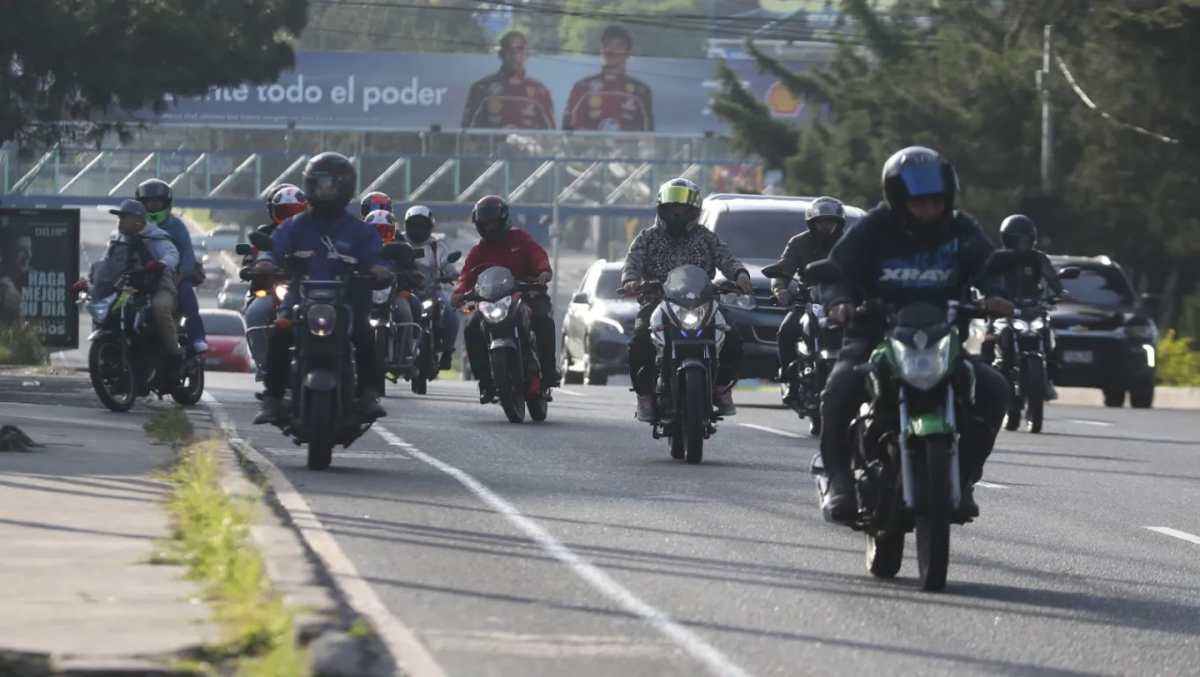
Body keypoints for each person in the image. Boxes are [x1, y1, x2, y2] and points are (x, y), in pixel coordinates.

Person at [816, 146, 1013, 523]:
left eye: (937, 201)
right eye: (920, 202)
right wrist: (839, 301)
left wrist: (997, 295)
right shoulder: (873, 228)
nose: (929, 210)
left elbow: (988, 267)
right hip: (874, 336)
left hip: (942, 341)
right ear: (898, 199)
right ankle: (838, 480)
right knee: (839, 389)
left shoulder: (962, 230)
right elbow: (839, 270)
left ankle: (965, 479)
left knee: (994, 389)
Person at [253, 152, 392, 425]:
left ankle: (368, 394)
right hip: (300, 297)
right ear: (309, 185)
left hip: (348, 300)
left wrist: (380, 269)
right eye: (321, 184)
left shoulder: (359, 231)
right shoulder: (294, 226)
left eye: (333, 184)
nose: (326, 190)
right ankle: (272, 398)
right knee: (280, 330)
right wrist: (266, 263)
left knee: (366, 334)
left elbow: (378, 257)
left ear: (346, 187)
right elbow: (274, 249)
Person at [620, 178, 753, 422]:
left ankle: (721, 388)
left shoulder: (707, 237)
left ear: (694, 212)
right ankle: (646, 395)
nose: (677, 215)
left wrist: (740, 275)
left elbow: (727, 258)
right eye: (673, 209)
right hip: (658, 302)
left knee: (732, 335)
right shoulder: (647, 238)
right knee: (639, 338)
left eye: (683, 210)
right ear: (663, 209)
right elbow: (633, 262)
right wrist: (631, 280)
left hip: (704, 302)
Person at [450, 195, 559, 403]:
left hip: (526, 294)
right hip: (490, 302)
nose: (489, 228)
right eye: (485, 224)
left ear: (502, 220)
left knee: (543, 318)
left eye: (493, 223)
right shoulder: (478, 251)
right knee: (471, 327)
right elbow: (466, 276)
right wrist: (459, 292)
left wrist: (543, 272)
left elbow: (539, 257)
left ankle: (549, 369)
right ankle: (485, 383)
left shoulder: (521, 239)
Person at [770, 196, 847, 414]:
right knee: (785, 331)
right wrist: (781, 290)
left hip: (841, 302)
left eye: (830, 222)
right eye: (820, 222)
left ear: (839, 224)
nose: (825, 227)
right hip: (807, 301)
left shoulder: (849, 242)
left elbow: (865, 269)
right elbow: (782, 271)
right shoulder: (798, 243)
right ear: (811, 223)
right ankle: (790, 380)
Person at [94, 199, 183, 381]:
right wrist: (92, 276)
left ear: (138, 220)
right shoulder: (117, 240)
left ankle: (176, 356)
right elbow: (106, 263)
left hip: (158, 287)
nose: (120, 222)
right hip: (130, 288)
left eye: (124, 218)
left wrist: (161, 263)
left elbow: (172, 254)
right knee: (107, 311)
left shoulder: (155, 236)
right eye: (119, 218)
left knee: (159, 308)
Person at [996, 213, 1067, 398]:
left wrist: (1059, 292)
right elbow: (987, 279)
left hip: (1032, 308)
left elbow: (1050, 276)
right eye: (1017, 240)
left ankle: (1050, 376)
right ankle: (997, 378)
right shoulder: (999, 259)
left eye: (1026, 240)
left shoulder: (1038, 258)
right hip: (1006, 309)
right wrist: (990, 296)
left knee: (1048, 333)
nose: (1022, 244)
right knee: (993, 337)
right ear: (1007, 239)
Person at [136, 178, 207, 354]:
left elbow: (187, 257)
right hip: (139, 279)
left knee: (186, 294)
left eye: (156, 202)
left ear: (166, 204)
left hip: (172, 278)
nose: (152, 206)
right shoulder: (133, 226)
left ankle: (197, 338)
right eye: (148, 203)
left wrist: (179, 276)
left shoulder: (177, 226)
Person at [244, 184, 308, 377]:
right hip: (276, 289)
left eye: (295, 212)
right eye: (284, 213)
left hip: (312, 290)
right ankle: (266, 367)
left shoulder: (316, 231)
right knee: (256, 312)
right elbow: (261, 254)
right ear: (273, 213)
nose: (289, 219)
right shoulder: (268, 234)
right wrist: (256, 266)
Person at [562, 25, 654, 132]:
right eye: (607, 45)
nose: (611, 50)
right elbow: (567, 132)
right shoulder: (582, 87)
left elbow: (648, 136)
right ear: (601, 50)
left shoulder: (641, 91)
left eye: (618, 46)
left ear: (628, 53)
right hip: (591, 148)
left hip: (627, 148)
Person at [403, 205, 461, 371]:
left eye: (422, 225)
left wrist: (453, 275)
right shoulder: (399, 242)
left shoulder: (437, 246)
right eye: (414, 225)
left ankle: (448, 352)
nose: (418, 229)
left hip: (432, 291)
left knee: (450, 312)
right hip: (406, 291)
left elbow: (448, 267)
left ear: (429, 227)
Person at [461, 30, 555, 130]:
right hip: (491, 145)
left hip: (528, 145)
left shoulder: (539, 91)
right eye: (509, 50)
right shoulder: (481, 88)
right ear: (501, 54)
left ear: (526, 55)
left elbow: (550, 134)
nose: (514, 55)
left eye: (519, 49)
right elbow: (467, 131)